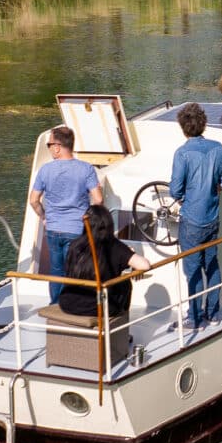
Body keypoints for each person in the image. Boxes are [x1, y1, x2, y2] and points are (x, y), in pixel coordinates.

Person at [167, 102, 222, 329]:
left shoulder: (182, 153)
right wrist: (212, 192)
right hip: (213, 218)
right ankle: (213, 314)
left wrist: (187, 197)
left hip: (191, 221)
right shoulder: (218, 148)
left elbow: (175, 190)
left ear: (183, 128)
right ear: (203, 124)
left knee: (192, 269)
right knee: (212, 264)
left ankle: (194, 319)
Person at [29, 125, 102, 300]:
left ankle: (55, 304)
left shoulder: (45, 170)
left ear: (57, 146)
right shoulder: (86, 169)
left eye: (49, 145)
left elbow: (33, 200)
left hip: (53, 229)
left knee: (56, 270)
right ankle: (71, 306)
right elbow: (98, 199)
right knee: (74, 270)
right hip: (77, 228)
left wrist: (44, 216)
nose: (49, 148)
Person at [57, 204, 150, 323]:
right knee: (125, 282)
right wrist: (133, 263)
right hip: (99, 307)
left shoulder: (75, 245)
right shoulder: (115, 246)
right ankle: (120, 327)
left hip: (68, 303)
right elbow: (144, 265)